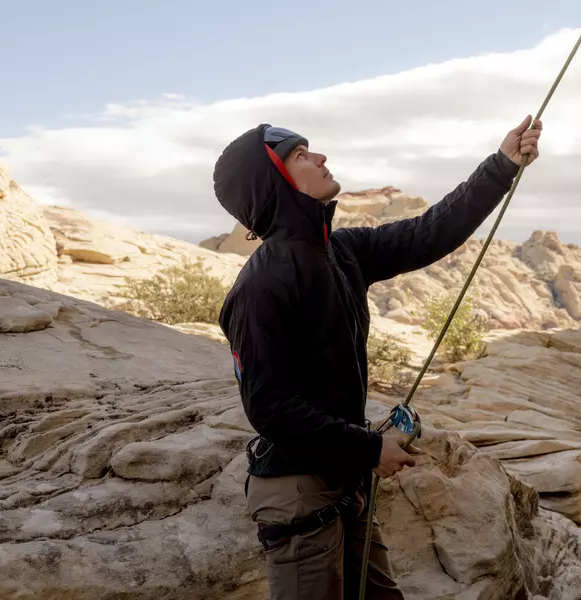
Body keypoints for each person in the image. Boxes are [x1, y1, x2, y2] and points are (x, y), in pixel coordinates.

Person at [214, 116, 542, 599]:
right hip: (299, 493)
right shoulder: (262, 285)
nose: (320, 157)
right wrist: (368, 448)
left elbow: (428, 232)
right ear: (275, 182)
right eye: (301, 155)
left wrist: (502, 165)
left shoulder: (341, 251)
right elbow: (270, 408)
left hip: (340, 479)